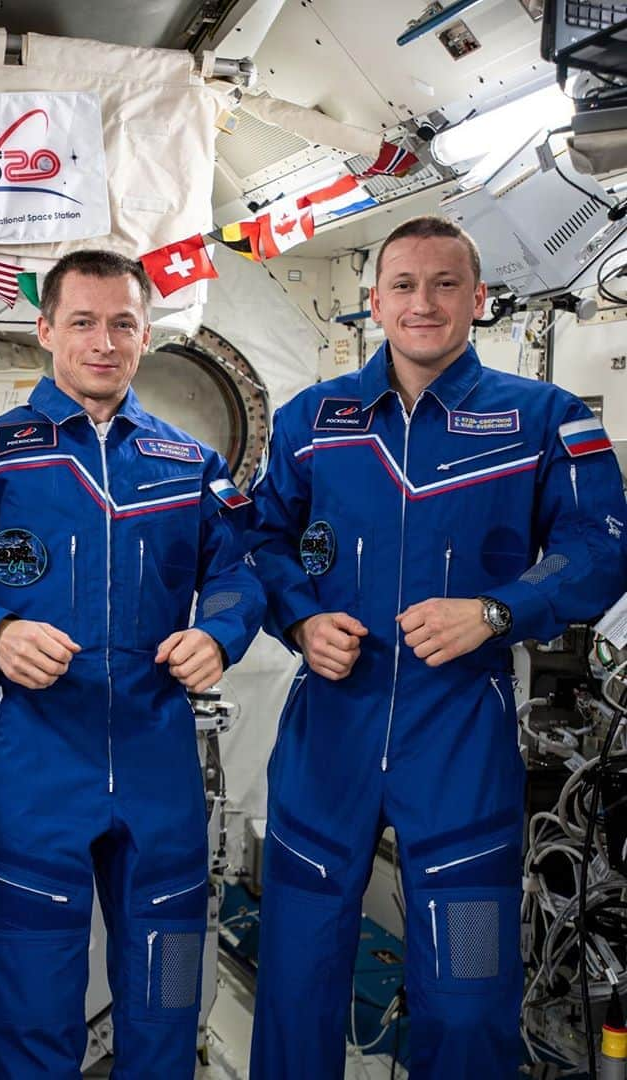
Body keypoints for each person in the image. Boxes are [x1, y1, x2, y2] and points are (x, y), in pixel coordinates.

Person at [247, 214, 627, 1079]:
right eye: (405, 286)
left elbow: (603, 542)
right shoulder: (313, 420)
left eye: (446, 284)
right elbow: (259, 543)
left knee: (468, 989)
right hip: (327, 740)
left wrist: (497, 611)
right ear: (373, 302)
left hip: (459, 739)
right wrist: (302, 620)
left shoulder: (543, 418)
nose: (425, 303)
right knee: (298, 985)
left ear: (478, 300)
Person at [0, 249, 263, 1078]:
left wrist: (218, 634)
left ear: (146, 336)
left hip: (159, 768)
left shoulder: (191, 467)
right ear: (46, 330)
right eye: (82, 322)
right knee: (31, 1011)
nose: (103, 341)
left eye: (122, 324)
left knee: (167, 1002)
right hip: (38, 763)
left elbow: (241, 572)